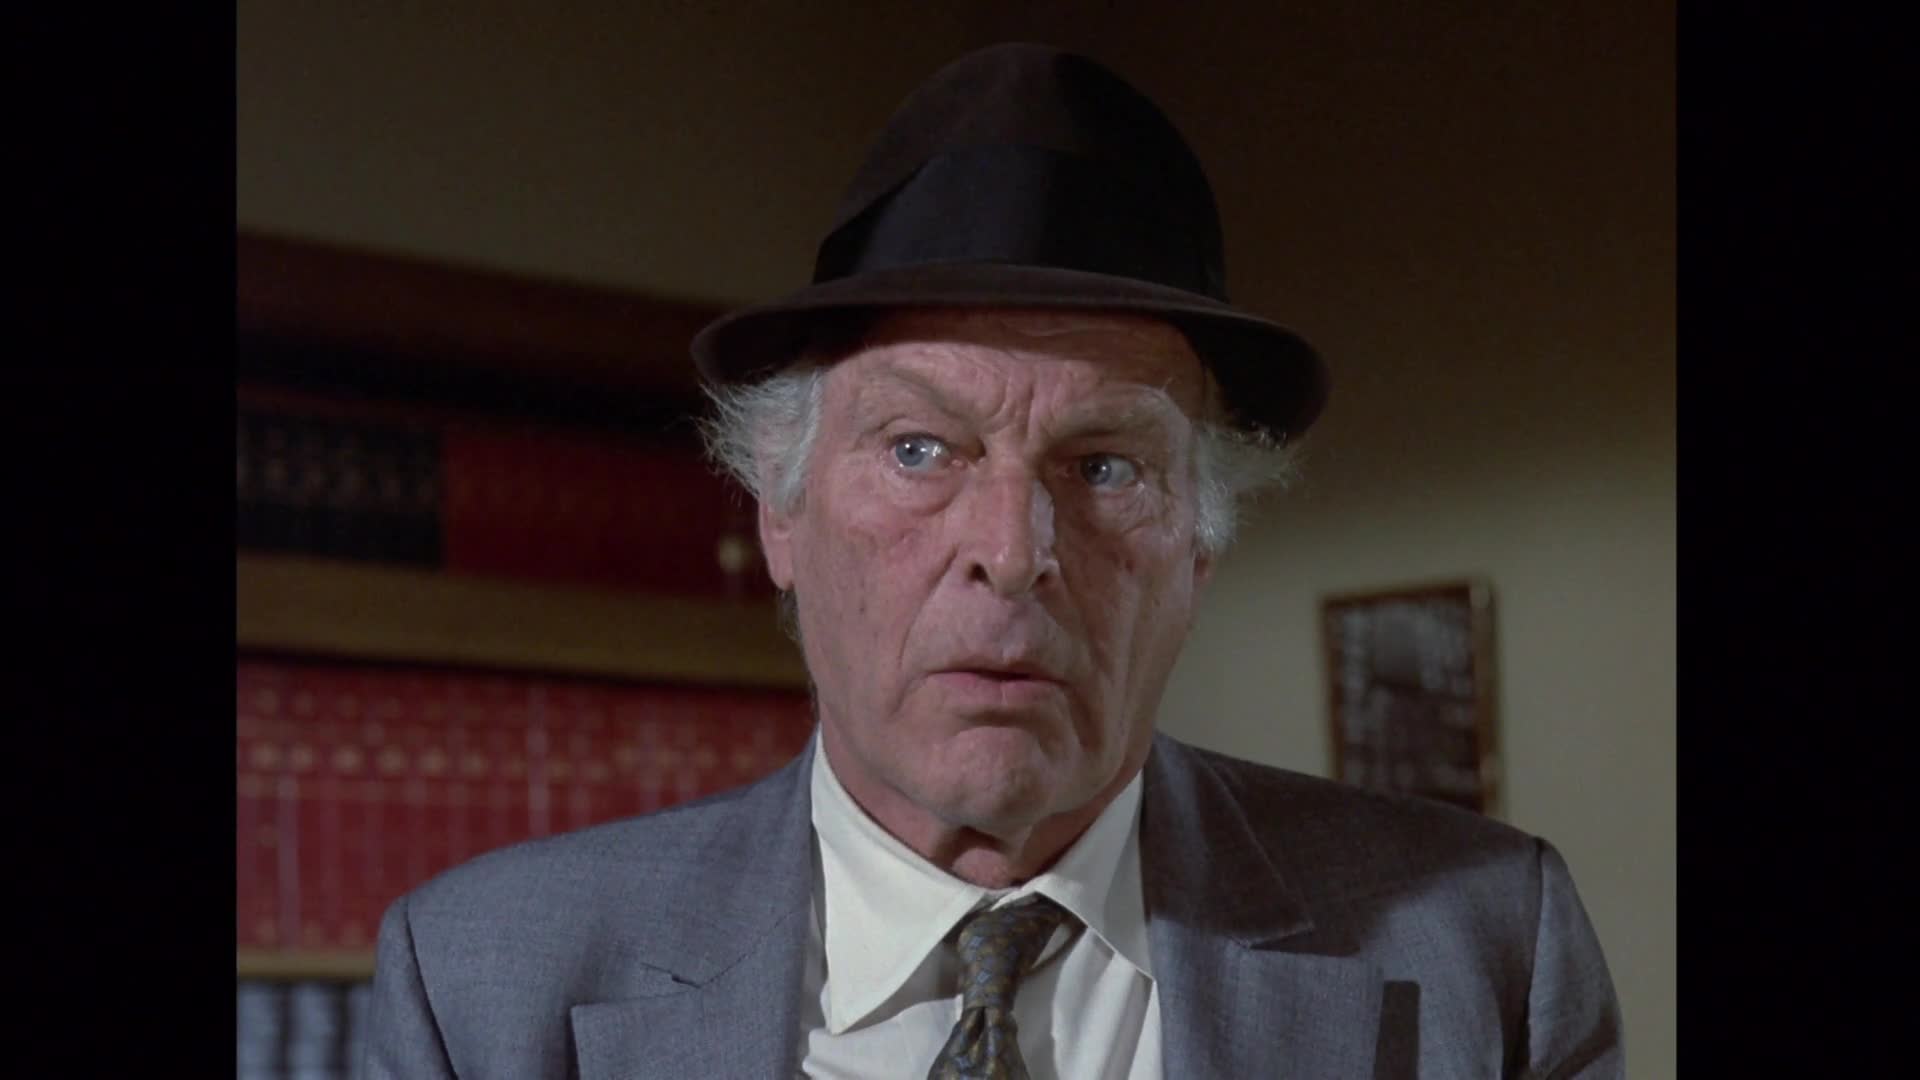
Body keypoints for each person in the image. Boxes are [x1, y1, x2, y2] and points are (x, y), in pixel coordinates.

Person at [359, 42, 1623, 1079]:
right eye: (920, 449)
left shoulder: (1486, 947)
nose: (1013, 555)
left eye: (1105, 467)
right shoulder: (482, 985)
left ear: (1199, 552)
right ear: (781, 518)